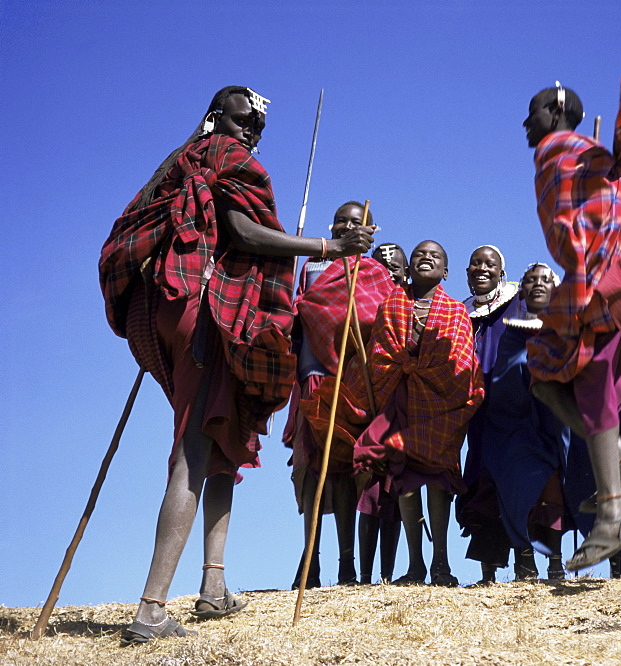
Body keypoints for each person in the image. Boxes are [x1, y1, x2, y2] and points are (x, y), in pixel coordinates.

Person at [99, 86, 374, 645]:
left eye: (257, 127)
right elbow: (243, 232)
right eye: (243, 119)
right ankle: (150, 611)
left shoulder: (181, 162)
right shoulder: (225, 156)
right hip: (201, 308)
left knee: (222, 432)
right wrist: (329, 248)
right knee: (194, 450)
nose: (250, 131)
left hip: (165, 309)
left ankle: (214, 584)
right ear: (215, 117)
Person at [522, 63, 621, 571]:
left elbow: (608, 208)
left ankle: (613, 512)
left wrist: (591, 266)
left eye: (532, 111)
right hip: (587, 276)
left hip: (608, 277)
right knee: (544, 376)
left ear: (558, 110)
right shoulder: (560, 158)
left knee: (592, 387)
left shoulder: (584, 154)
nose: (525, 123)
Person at [312, 240, 484, 586]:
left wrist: (430, 378)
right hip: (399, 401)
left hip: (440, 407)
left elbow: (462, 363)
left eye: (435, 256)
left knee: (438, 480)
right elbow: (379, 354)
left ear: (446, 272)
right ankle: (416, 564)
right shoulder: (392, 304)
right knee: (404, 480)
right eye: (420, 254)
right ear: (409, 267)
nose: (426, 259)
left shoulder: (455, 311)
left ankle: (441, 564)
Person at [282, 202, 395, 589]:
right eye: (342, 221)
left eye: (356, 222)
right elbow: (296, 313)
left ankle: (346, 564)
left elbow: (381, 321)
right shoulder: (313, 265)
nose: (348, 226)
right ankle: (310, 560)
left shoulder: (377, 273)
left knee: (346, 468)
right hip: (314, 376)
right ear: (332, 226)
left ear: (370, 230)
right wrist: (313, 309)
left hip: (354, 381)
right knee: (313, 467)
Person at [480, 263, 571, 580]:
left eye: (545, 280)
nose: (537, 285)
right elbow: (506, 371)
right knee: (520, 492)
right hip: (516, 424)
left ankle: (556, 562)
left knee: (552, 492)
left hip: (552, 422)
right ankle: (525, 561)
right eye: (531, 280)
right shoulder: (513, 328)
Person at [455, 245, 525, 584]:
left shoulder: (518, 301)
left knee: (516, 482)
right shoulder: (458, 313)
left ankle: (526, 565)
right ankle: (488, 571)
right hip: (477, 415)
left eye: (490, 264)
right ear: (466, 272)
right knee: (481, 482)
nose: (482, 268)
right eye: (475, 263)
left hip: (514, 410)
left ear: (502, 272)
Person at [354, 242, 409, 584]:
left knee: (395, 494)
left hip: (405, 411)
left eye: (395, 268)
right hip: (370, 407)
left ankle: (387, 574)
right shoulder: (364, 302)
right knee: (369, 493)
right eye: (381, 267)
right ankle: (362, 574)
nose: (388, 273)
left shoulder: (415, 306)